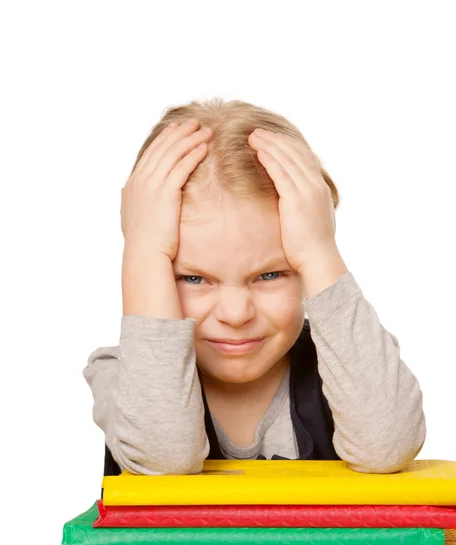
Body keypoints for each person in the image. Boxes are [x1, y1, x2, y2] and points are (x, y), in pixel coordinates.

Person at [82, 98, 426, 477]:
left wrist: (317, 249)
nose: (235, 314)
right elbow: (165, 461)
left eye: (270, 275)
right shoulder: (124, 374)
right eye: (193, 279)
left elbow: (387, 448)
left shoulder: (351, 359)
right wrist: (143, 250)